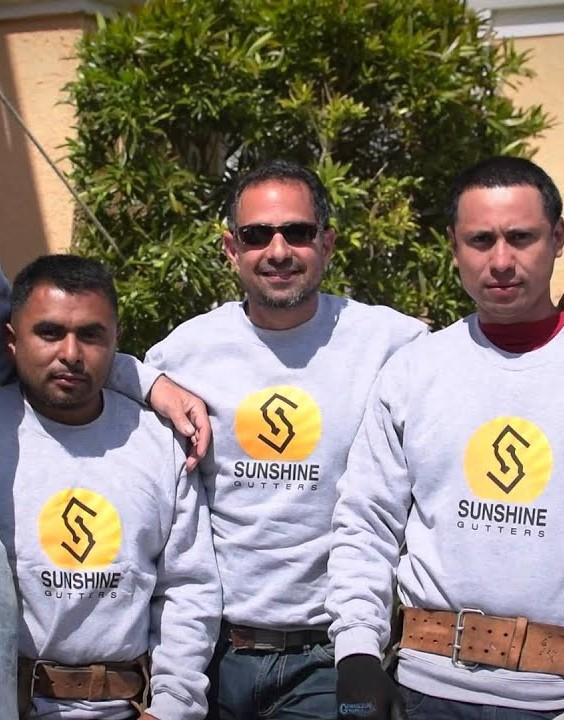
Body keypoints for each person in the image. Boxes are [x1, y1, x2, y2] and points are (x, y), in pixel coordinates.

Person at [115, 159, 426, 719]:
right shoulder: (186, 351)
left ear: (327, 243)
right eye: (257, 235)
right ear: (230, 249)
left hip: (328, 656)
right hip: (209, 656)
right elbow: (82, 371)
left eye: (297, 232)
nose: (278, 251)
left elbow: (474, 366)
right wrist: (148, 382)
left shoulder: (391, 342)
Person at [327, 156, 564, 719]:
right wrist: (356, 652)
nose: (500, 261)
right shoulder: (415, 371)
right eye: (480, 240)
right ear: (454, 247)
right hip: (423, 693)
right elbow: (366, 523)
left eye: (521, 237)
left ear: (557, 239)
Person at [0, 254, 221, 719]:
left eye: (90, 335)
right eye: (49, 333)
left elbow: (188, 589)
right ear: (11, 341)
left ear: (115, 341)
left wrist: (172, 706)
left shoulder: (160, 443)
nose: (71, 353)